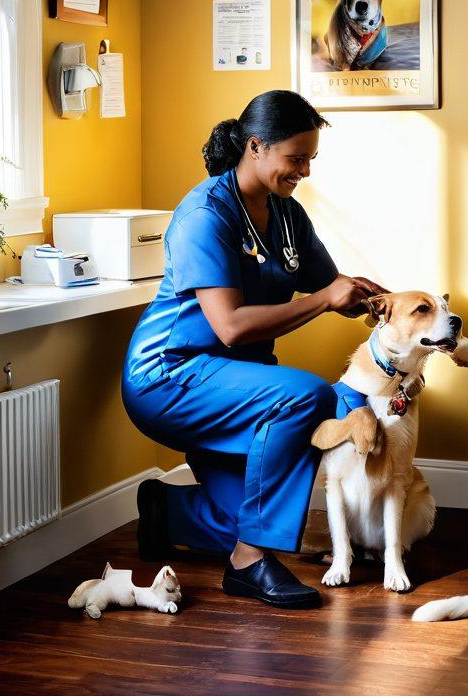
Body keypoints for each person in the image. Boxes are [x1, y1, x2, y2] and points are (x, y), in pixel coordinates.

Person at [122, 90, 383, 609]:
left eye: (310, 159)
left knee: (254, 509)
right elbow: (232, 327)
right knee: (308, 396)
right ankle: (247, 564)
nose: (305, 170)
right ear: (256, 147)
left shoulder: (287, 215)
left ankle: (163, 511)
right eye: (297, 158)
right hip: (171, 376)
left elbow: (330, 287)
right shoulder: (205, 213)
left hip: (236, 383)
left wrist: (381, 303)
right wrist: (326, 299)